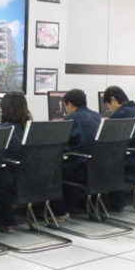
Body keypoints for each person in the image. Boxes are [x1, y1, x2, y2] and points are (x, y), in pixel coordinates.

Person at [0, 91, 32, 234]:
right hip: (27, 178)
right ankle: (7, 222)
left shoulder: (3, 131)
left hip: (8, 178)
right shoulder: (31, 129)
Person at [52, 89, 102, 220]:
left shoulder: (71, 120)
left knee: (53, 171)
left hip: (81, 168)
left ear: (69, 104)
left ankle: (60, 212)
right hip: (98, 166)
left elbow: (59, 144)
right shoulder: (97, 116)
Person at [101, 86, 135, 211]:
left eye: (108, 104)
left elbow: (108, 144)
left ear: (113, 99)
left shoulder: (119, 115)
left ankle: (115, 204)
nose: (110, 109)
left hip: (133, 162)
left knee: (108, 162)